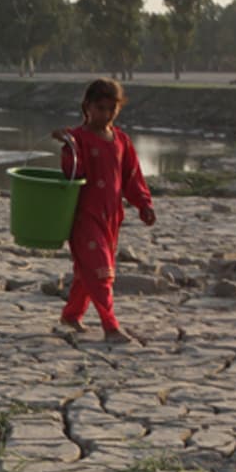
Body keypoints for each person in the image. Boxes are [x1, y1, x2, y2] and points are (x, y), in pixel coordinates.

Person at [50, 77, 155, 344]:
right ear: (87, 106)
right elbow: (74, 172)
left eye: (112, 109)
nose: (106, 115)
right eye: (101, 108)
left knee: (88, 271)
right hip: (84, 216)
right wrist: (68, 146)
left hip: (111, 217)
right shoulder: (79, 138)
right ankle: (110, 325)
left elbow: (132, 176)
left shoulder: (121, 140)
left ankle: (71, 315)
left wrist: (143, 203)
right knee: (101, 270)